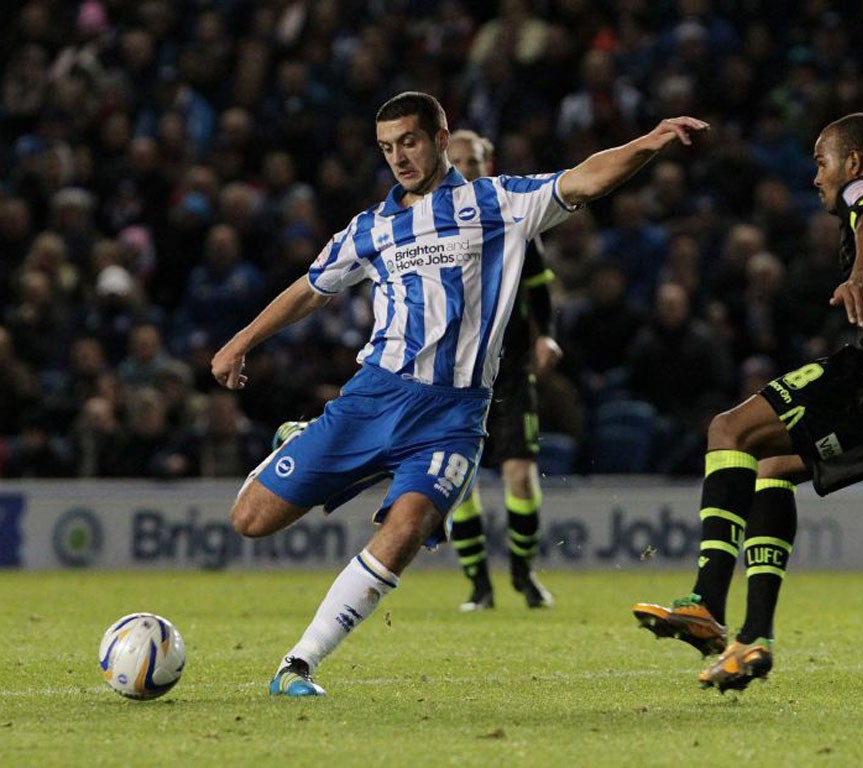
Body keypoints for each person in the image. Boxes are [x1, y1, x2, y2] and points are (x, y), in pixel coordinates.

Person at [211, 91, 709, 696]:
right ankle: (298, 438)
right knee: (250, 522)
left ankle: (299, 664)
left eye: (410, 142)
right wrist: (242, 340)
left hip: (454, 414)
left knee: (407, 527)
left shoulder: (495, 203)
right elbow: (312, 289)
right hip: (374, 397)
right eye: (387, 148)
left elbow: (584, 180)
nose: (399, 157)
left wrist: (650, 141)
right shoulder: (371, 229)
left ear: (442, 139)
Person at [633, 113, 863, 692]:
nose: (817, 177)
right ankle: (753, 639)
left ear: (853, 161)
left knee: (728, 431)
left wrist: (862, 274)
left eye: (821, 161)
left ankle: (704, 600)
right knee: (773, 468)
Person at [445, 128, 561, 611]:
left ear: (487, 163)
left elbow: (538, 288)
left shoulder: (510, 221)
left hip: (508, 369)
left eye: (473, 161)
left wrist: (545, 334)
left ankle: (522, 573)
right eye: (458, 163)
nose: (466, 171)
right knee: (459, 483)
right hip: (451, 375)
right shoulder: (428, 226)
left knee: (520, 476)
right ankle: (478, 584)